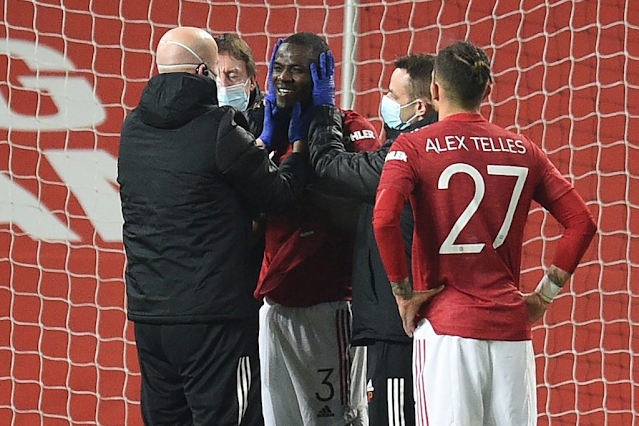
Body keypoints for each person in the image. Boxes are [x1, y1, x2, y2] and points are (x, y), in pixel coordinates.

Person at [372, 40, 597, 425]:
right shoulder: (524, 150)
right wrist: (543, 297)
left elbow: (383, 219)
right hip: (511, 334)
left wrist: (403, 294)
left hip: (446, 330)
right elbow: (582, 222)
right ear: (487, 90)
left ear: (436, 90)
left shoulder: (412, 146)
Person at [117, 26, 309, 426]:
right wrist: (299, 148)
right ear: (204, 74)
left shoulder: (132, 129)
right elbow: (281, 195)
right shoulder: (219, 129)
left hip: (150, 316)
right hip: (214, 318)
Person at [253, 33, 380, 426]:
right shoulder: (269, 127)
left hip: (328, 308)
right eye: (278, 67)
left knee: (336, 420)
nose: (283, 77)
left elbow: (362, 205)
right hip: (275, 308)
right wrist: (262, 146)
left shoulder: (350, 128)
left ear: (322, 76)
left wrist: (305, 173)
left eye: (296, 69)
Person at [307, 54, 437, 426]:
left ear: (420, 107)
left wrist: (324, 112)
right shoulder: (433, 147)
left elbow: (331, 167)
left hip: (398, 325)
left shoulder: (405, 155)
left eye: (393, 96)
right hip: (409, 322)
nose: (385, 102)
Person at [214, 33, 265, 137]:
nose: (223, 85)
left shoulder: (268, 123)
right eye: (216, 77)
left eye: (232, 76)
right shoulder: (197, 120)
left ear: (252, 81)